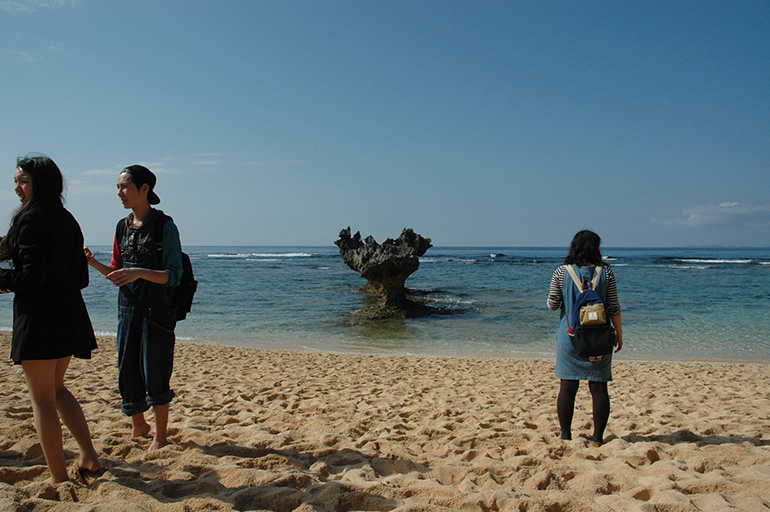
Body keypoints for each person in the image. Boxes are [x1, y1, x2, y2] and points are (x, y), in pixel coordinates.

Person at [0, 155, 100, 483]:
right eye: (16, 181)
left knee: (42, 399)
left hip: (40, 318)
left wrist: (2, 280)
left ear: (40, 183)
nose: (17, 187)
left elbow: (31, 278)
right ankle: (89, 457)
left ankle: (59, 479)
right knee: (57, 390)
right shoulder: (67, 219)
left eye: (24, 181)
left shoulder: (30, 220)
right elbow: (81, 278)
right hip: (69, 314)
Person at [84, 165, 183, 452]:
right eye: (118, 187)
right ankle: (138, 424)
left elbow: (173, 275)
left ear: (145, 189)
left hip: (157, 314)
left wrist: (139, 271)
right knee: (127, 371)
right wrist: (93, 262)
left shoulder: (166, 227)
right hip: (126, 310)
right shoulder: (121, 227)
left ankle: (160, 436)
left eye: (125, 187)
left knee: (156, 372)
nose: (120, 193)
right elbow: (118, 274)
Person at [547, 230, 623, 446]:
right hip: (599, 338)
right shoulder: (606, 273)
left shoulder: (562, 272)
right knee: (599, 387)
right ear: (595, 248)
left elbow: (552, 305)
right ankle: (597, 438)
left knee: (568, 387)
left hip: (570, 337)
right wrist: (619, 334)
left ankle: (565, 435)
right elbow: (614, 306)